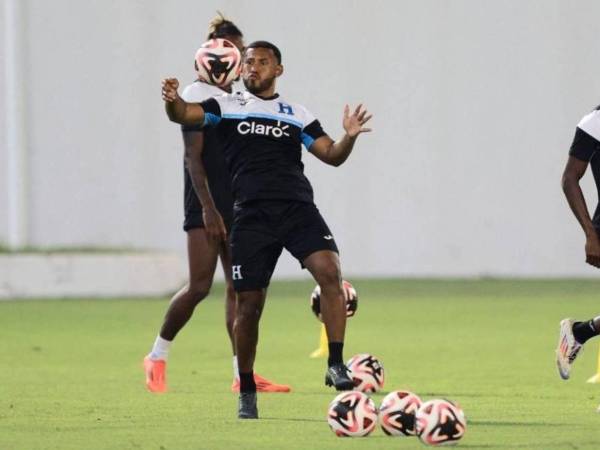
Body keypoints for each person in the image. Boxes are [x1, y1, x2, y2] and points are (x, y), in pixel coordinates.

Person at [161, 40, 372, 418]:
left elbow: (331, 156)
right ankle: (245, 389)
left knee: (330, 271)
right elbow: (184, 115)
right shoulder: (225, 106)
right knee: (250, 305)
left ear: (278, 70)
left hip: (297, 209)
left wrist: (349, 137)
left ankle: (336, 364)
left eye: (262, 62)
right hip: (251, 216)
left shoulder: (297, 113)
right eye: (248, 62)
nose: (252, 67)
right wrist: (172, 100)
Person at [144, 16, 290, 394]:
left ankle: (241, 375)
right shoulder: (195, 94)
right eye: (238, 52)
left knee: (240, 290)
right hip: (205, 201)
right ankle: (157, 355)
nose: (244, 60)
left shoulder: (238, 97)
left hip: (238, 201)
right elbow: (194, 158)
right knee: (199, 286)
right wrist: (208, 209)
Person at [556, 104, 600, 380]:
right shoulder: (595, 121)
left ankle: (580, 332)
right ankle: (580, 332)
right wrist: (590, 235)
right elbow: (570, 177)